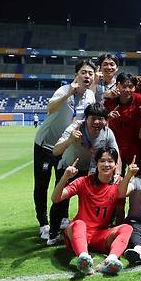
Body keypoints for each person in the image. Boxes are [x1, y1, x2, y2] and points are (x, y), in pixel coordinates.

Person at [33, 60, 96, 240]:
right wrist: (68, 93)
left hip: (66, 146)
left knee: (64, 181)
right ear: (76, 74)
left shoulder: (90, 96)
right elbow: (50, 108)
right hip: (46, 145)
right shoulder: (63, 90)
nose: (87, 76)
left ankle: (62, 219)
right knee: (42, 185)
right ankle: (43, 223)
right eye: (83, 72)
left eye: (90, 73)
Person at [47, 103, 122, 245]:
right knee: (61, 200)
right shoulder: (75, 128)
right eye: (93, 118)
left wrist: (116, 174)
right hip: (69, 168)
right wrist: (70, 140)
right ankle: (53, 232)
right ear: (86, 118)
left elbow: (116, 155)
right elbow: (56, 150)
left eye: (101, 119)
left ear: (106, 120)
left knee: (105, 197)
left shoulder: (107, 132)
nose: (97, 122)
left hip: (90, 171)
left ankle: (101, 229)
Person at [50, 147, 133, 275]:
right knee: (79, 223)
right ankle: (83, 258)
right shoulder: (83, 181)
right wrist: (65, 177)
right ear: (96, 163)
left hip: (99, 235)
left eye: (110, 161)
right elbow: (55, 198)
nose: (106, 164)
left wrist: (116, 234)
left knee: (127, 228)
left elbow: (120, 210)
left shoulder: (119, 184)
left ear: (116, 165)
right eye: (102, 161)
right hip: (79, 234)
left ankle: (111, 260)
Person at [104, 73, 141, 173]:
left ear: (135, 88)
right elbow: (102, 121)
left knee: (139, 174)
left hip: (134, 145)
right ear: (118, 85)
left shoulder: (138, 99)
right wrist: (108, 117)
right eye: (124, 86)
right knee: (116, 175)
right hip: (115, 145)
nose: (127, 90)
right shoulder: (109, 101)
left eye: (131, 87)